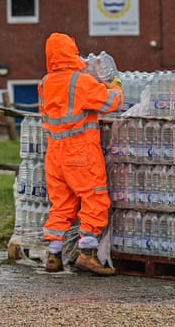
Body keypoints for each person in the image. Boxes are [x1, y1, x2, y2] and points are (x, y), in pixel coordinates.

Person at [38, 32, 124, 276]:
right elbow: (112, 104)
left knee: (62, 204)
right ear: (70, 53)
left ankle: (54, 254)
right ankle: (87, 253)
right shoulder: (80, 81)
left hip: (54, 153)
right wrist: (115, 86)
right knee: (95, 199)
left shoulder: (45, 83)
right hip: (80, 151)